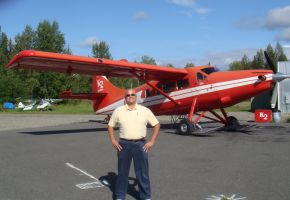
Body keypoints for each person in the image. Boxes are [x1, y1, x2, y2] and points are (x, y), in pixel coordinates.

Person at [108, 89, 160, 200]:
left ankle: (145, 196)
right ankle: (120, 196)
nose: (130, 96)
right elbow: (110, 126)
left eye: (132, 95)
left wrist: (151, 141)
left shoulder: (145, 110)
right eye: (128, 95)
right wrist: (113, 140)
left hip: (140, 144)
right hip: (123, 145)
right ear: (125, 97)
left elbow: (156, 124)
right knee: (122, 173)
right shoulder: (118, 111)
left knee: (142, 173)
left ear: (136, 97)